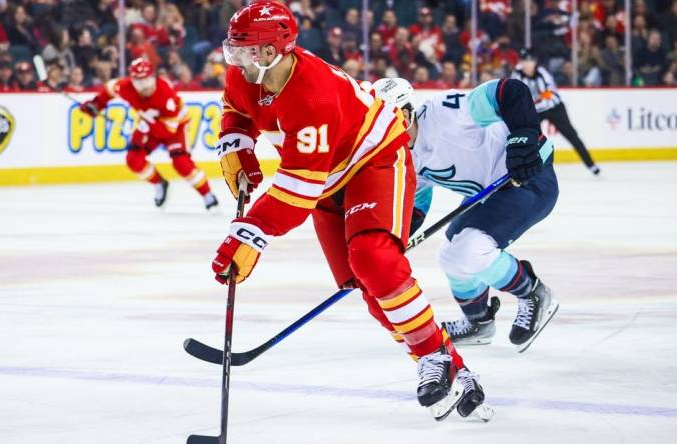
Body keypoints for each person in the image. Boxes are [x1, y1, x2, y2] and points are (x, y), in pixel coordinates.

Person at [210, 1, 489, 420]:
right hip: (326, 175)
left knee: (373, 259)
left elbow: (298, 189)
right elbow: (237, 109)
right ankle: (452, 366)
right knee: (363, 282)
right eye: (232, 49)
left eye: (242, 51)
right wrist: (237, 142)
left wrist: (251, 231)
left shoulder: (313, 95)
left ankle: (432, 356)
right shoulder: (246, 73)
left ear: (270, 52)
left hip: (373, 161)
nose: (234, 61)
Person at [371, 77, 560, 352]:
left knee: (471, 250)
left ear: (408, 110)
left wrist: (524, 137)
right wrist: (391, 242)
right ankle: (479, 321)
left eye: (392, 118)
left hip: (527, 177)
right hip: (489, 192)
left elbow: (511, 90)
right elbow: (414, 206)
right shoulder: (402, 157)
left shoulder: (444, 112)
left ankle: (533, 293)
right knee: (450, 255)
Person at [80, 58, 218, 209]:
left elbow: (168, 130)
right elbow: (109, 89)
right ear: (132, 81)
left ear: (154, 77)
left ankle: (207, 194)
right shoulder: (126, 87)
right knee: (134, 159)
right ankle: (160, 183)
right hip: (148, 123)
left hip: (175, 126)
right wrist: (96, 105)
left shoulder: (165, 93)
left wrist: (145, 126)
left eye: (147, 81)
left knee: (181, 162)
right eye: (139, 83)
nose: (144, 87)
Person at [512, 49, 600, 175]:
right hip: (536, 109)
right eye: (523, 61)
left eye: (528, 61)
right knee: (525, 136)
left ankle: (591, 165)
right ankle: (524, 166)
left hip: (555, 108)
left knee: (571, 135)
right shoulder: (517, 74)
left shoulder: (543, 74)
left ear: (534, 62)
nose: (525, 64)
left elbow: (549, 97)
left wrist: (530, 105)